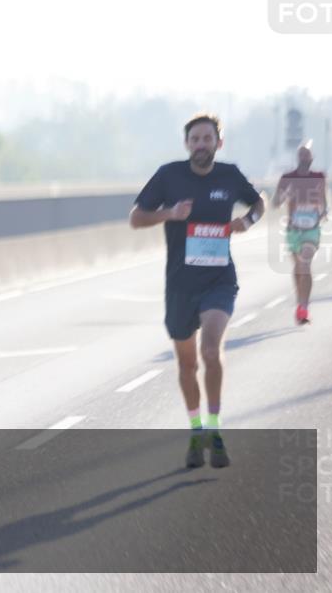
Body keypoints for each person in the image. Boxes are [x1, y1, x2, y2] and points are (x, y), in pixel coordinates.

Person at [130, 113, 265, 468]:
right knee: (186, 364)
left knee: (210, 350)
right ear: (187, 144)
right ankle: (196, 429)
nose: (201, 145)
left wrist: (246, 222)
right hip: (180, 285)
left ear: (219, 143)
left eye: (208, 139)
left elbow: (259, 202)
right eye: (195, 139)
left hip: (219, 280)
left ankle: (216, 429)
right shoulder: (168, 175)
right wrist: (169, 214)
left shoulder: (230, 175)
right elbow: (136, 218)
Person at [272, 141, 328, 324]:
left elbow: (323, 201)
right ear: (298, 157)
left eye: (307, 154)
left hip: (311, 229)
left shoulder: (319, 176)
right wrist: (284, 196)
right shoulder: (287, 177)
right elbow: (275, 203)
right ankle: (300, 303)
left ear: (312, 157)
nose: (304, 157)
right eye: (301, 154)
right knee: (298, 269)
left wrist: (323, 212)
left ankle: (304, 307)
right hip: (293, 230)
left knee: (305, 264)